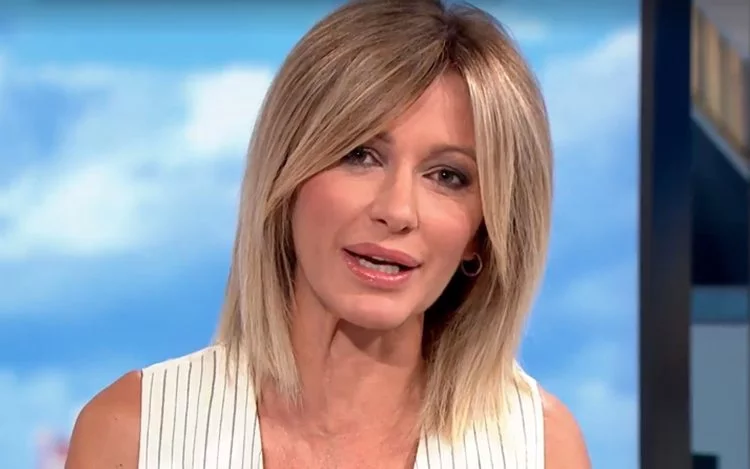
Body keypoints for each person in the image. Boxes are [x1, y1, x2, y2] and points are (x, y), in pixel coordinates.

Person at [65, 0, 591, 467]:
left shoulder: (539, 449)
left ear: (481, 233)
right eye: (360, 155)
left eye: (448, 176)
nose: (397, 210)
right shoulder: (134, 434)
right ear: (287, 176)